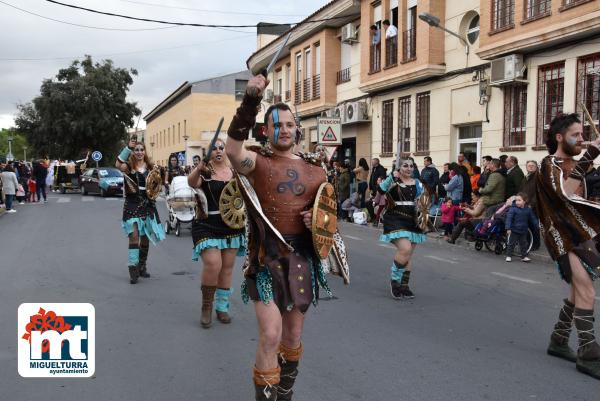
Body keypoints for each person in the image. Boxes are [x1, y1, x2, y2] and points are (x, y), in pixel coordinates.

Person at [225, 75, 340, 400]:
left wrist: (316, 219)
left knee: (292, 336)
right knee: (271, 335)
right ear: (266, 130)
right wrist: (249, 102)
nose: (285, 130)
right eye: (278, 125)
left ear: (297, 129)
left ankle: (285, 392)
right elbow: (232, 149)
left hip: (301, 261)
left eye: (290, 124)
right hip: (265, 261)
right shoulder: (257, 162)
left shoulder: (317, 171)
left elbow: (329, 222)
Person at [533, 113, 600, 380]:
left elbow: (587, 194)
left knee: (579, 290)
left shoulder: (578, 163)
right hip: (563, 235)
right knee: (587, 290)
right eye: (577, 135)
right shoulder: (550, 164)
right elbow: (566, 193)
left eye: (584, 135)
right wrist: (592, 153)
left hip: (584, 234)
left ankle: (558, 340)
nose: (582, 139)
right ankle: (588, 354)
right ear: (560, 137)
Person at [188, 139, 246, 328]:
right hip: (206, 224)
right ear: (209, 152)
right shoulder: (204, 172)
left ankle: (222, 307)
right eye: (214, 148)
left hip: (231, 225)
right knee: (214, 264)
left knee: (227, 268)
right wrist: (199, 167)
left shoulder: (235, 173)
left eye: (222, 147)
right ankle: (206, 308)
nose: (219, 150)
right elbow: (192, 183)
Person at [115, 138, 166, 284]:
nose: (139, 152)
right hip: (132, 204)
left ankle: (142, 265)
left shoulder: (151, 167)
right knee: (134, 236)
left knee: (145, 237)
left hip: (148, 204)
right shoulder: (128, 166)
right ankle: (133, 269)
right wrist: (127, 148)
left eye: (141, 149)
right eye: (136, 149)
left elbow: (158, 183)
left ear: (145, 152)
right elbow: (117, 164)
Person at [378, 157, 427, 299]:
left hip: (413, 220)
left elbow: (424, 201)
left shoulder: (417, 183)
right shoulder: (393, 180)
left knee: (408, 254)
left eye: (411, 166)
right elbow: (380, 191)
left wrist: (423, 216)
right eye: (405, 165)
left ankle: (404, 285)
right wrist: (391, 176)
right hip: (395, 218)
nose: (409, 168)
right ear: (399, 168)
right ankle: (395, 282)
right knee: (404, 249)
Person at [505, 193, 536, 263]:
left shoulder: (528, 210)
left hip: (524, 230)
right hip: (514, 229)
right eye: (516, 200)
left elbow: (533, 218)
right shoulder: (513, 209)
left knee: (524, 244)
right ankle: (509, 255)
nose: (517, 202)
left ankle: (524, 256)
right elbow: (509, 219)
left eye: (519, 200)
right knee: (511, 243)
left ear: (524, 201)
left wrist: (537, 225)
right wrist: (508, 228)